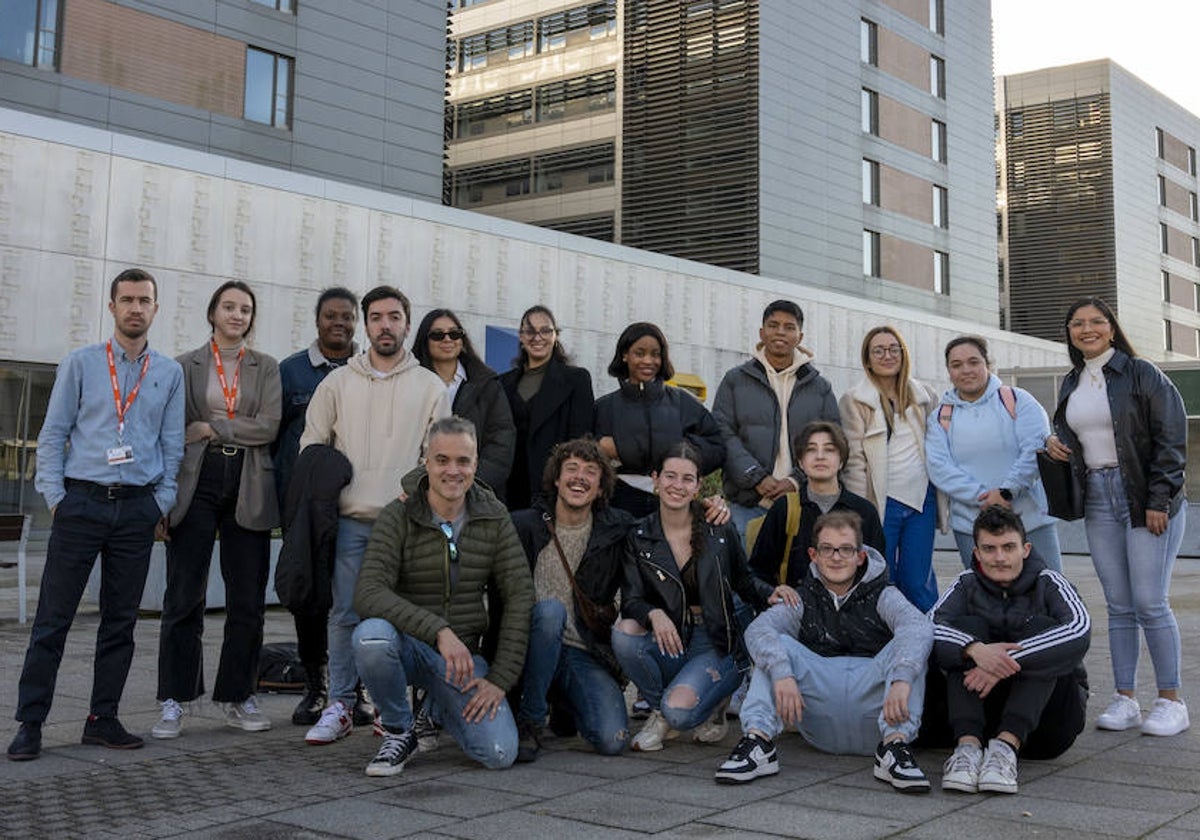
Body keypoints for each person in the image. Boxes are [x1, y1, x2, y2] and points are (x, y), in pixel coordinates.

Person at [8, 269, 184, 762]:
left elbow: (172, 446)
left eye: (144, 300)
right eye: (126, 299)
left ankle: (101, 719)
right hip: (81, 505)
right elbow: (51, 435)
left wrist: (160, 501)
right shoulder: (81, 364)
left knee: (120, 622)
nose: (135, 308)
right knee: (52, 621)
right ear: (111, 307)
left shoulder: (168, 374)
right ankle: (31, 721)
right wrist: (57, 499)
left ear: (155, 308)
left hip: (135, 510)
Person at [298, 285, 450, 745]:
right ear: (366, 326)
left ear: (407, 324)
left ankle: (392, 710)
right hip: (350, 521)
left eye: (395, 317)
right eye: (377, 317)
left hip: (405, 524)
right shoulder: (337, 382)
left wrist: (414, 494)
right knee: (344, 615)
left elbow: (439, 455)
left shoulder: (430, 386)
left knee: (404, 617)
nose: (386, 325)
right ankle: (341, 705)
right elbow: (311, 446)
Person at [351, 417, 534, 776]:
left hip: (462, 660)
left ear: (476, 464)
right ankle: (399, 730)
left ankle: (434, 709)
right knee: (370, 636)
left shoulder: (493, 516)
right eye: (442, 460)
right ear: (426, 462)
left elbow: (519, 596)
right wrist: (438, 630)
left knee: (499, 753)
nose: (453, 471)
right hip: (408, 646)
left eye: (463, 461)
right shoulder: (399, 514)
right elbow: (368, 591)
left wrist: (500, 680)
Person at [1045, 297, 1189, 736]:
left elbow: (1171, 440)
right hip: (1098, 498)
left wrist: (1159, 500)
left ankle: (1171, 701)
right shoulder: (1072, 382)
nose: (1086, 329)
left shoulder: (1142, 374)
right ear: (1069, 332)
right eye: (1077, 324)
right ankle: (1125, 698)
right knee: (1119, 605)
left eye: (1096, 322)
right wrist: (1058, 447)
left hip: (1144, 496)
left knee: (1149, 601)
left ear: (1111, 328)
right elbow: (1080, 438)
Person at [715, 510, 933, 793]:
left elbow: (919, 628)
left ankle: (895, 750)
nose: (836, 557)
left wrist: (903, 677)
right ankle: (758, 742)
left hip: (879, 721)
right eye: (827, 549)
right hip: (819, 721)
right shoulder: (802, 598)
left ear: (860, 556)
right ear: (813, 555)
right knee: (774, 643)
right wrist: (782, 673)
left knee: (910, 641)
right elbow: (757, 631)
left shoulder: (884, 595)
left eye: (845, 549)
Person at [154, 280, 281, 738]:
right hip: (196, 481)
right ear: (212, 313)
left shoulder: (265, 367)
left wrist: (211, 427)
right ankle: (175, 697)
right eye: (229, 307)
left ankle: (238, 695)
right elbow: (173, 430)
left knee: (247, 599)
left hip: (247, 481)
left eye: (245, 309)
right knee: (183, 595)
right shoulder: (183, 366)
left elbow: (267, 427)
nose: (237, 315)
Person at [613, 442, 777, 752]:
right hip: (670, 636)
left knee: (682, 713)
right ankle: (660, 713)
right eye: (670, 476)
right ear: (656, 479)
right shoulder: (638, 536)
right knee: (624, 632)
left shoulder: (718, 528)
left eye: (687, 479)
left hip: (713, 640)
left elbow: (744, 582)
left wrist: (774, 595)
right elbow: (632, 599)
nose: (677, 485)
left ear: (699, 485)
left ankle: (712, 705)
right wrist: (654, 615)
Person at [932, 507, 1091, 794]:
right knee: (964, 628)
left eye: (1008, 547)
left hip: (1048, 725)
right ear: (977, 553)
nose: (1000, 558)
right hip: (983, 718)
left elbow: (1079, 630)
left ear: (1026, 549)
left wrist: (1001, 661)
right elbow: (929, 628)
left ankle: (1006, 747)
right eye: (989, 549)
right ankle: (967, 750)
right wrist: (975, 649)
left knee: (1044, 628)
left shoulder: (1051, 582)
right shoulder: (965, 583)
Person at [510, 437, 634, 761]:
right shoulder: (524, 525)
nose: (580, 477)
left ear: (601, 487)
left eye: (591, 471)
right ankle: (532, 720)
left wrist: (707, 506)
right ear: (556, 478)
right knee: (550, 612)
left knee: (612, 739)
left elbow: (666, 526)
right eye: (572, 468)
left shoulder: (617, 529)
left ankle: (566, 701)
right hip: (529, 644)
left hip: (582, 650)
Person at [273, 286, 358, 727]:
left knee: (353, 598)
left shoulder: (369, 371)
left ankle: (353, 690)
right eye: (331, 316)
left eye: (346, 316)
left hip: (356, 506)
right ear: (317, 320)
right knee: (310, 598)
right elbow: (275, 442)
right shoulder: (291, 372)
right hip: (305, 508)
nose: (338, 323)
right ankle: (315, 685)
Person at [925, 335, 1063, 572]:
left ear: (988, 364)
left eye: (973, 362)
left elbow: (1034, 449)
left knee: (1049, 590)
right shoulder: (940, 417)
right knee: (986, 601)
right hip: (971, 526)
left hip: (1030, 521)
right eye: (956, 365)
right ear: (948, 371)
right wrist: (984, 498)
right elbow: (939, 467)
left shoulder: (1018, 400)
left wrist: (1006, 492)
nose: (966, 370)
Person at [712, 300, 839, 536]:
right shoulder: (736, 380)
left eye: (789, 327)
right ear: (762, 333)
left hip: (804, 502)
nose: (780, 332)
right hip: (748, 503)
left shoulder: (820, 387)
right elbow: (722, 432)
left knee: (801, 572)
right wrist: (755, 477)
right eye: (773, 325)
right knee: (749, 572)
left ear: (799, 337)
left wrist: (796, 481)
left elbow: (835, 441)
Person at [840, 326, 941, 611]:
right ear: (868, 359)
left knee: (918, 581)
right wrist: (862, 510)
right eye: (879, 350)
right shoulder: (854, 400)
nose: (887, 355)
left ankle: (933, 640)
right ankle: (886, 643)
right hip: (880, 503)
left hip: (922, 501)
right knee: (882, 578)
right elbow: (855, 461)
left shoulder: (926, 396)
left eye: (893, 349)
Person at [595, 322, 725, 518]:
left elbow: (717, 446)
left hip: (672, 501)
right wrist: (603, 451)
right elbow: (584, 454)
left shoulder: (682, 402)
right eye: (639, 353)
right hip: (618, 504)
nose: (648, 361)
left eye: (655, 354)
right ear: (624, 355)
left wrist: (679, 451)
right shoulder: (604, 407)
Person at [748, 421, 884, 593]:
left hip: (851, 614)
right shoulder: (784, 508)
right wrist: (774, 594)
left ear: (841, 460)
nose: (820, 456)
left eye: (829, 449)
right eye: (811, 449)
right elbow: (757, 573)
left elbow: (878, 574)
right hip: (794, 611)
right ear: (801, 462)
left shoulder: (864, 512)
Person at [413, 308, 515, 501]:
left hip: (476, 496)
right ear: (424, 341)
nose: (447, 339)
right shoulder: (412, 384)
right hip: (421, 495)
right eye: (437, 335)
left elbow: (501, 442)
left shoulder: (487, 385)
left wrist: (469, 485)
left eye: (454, 333)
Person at [500, 305, 594, 510]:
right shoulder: (502, 383)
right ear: (521, 337)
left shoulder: (576, 380)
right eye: (530, 331)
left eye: (545, 330)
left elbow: (581, 440)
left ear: (555, 335)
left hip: (553, 487)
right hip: (509, 489)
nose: (537, 337)